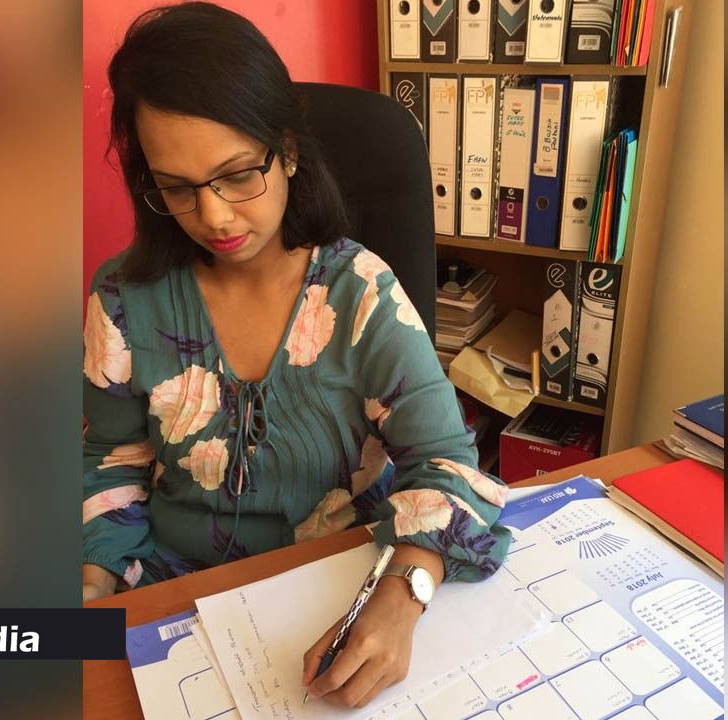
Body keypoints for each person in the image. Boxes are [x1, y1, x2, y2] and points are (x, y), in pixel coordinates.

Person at [82, 2, 512, 708]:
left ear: (285, 151)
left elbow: (446, 461)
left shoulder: (359, 293)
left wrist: (405, 591)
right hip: (176, 596)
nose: (214, 216)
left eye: (237, 175)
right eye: (178, 188)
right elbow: (113, 459)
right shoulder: (122, 299)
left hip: (337, 585)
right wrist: (96, 581)